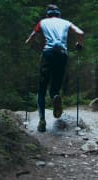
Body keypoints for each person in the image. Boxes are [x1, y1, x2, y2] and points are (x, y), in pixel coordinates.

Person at [25, 4, 84, 132]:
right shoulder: (66, 22)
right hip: (62, 55)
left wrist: (29, 44)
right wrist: (79, 44)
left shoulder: (42, 22)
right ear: (59, 15)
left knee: (41, 88)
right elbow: (80, 33)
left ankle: (42, 120)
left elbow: (31, 38)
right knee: (55, 86)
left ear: (48, 14)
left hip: (48, 54)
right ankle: (55, 96)